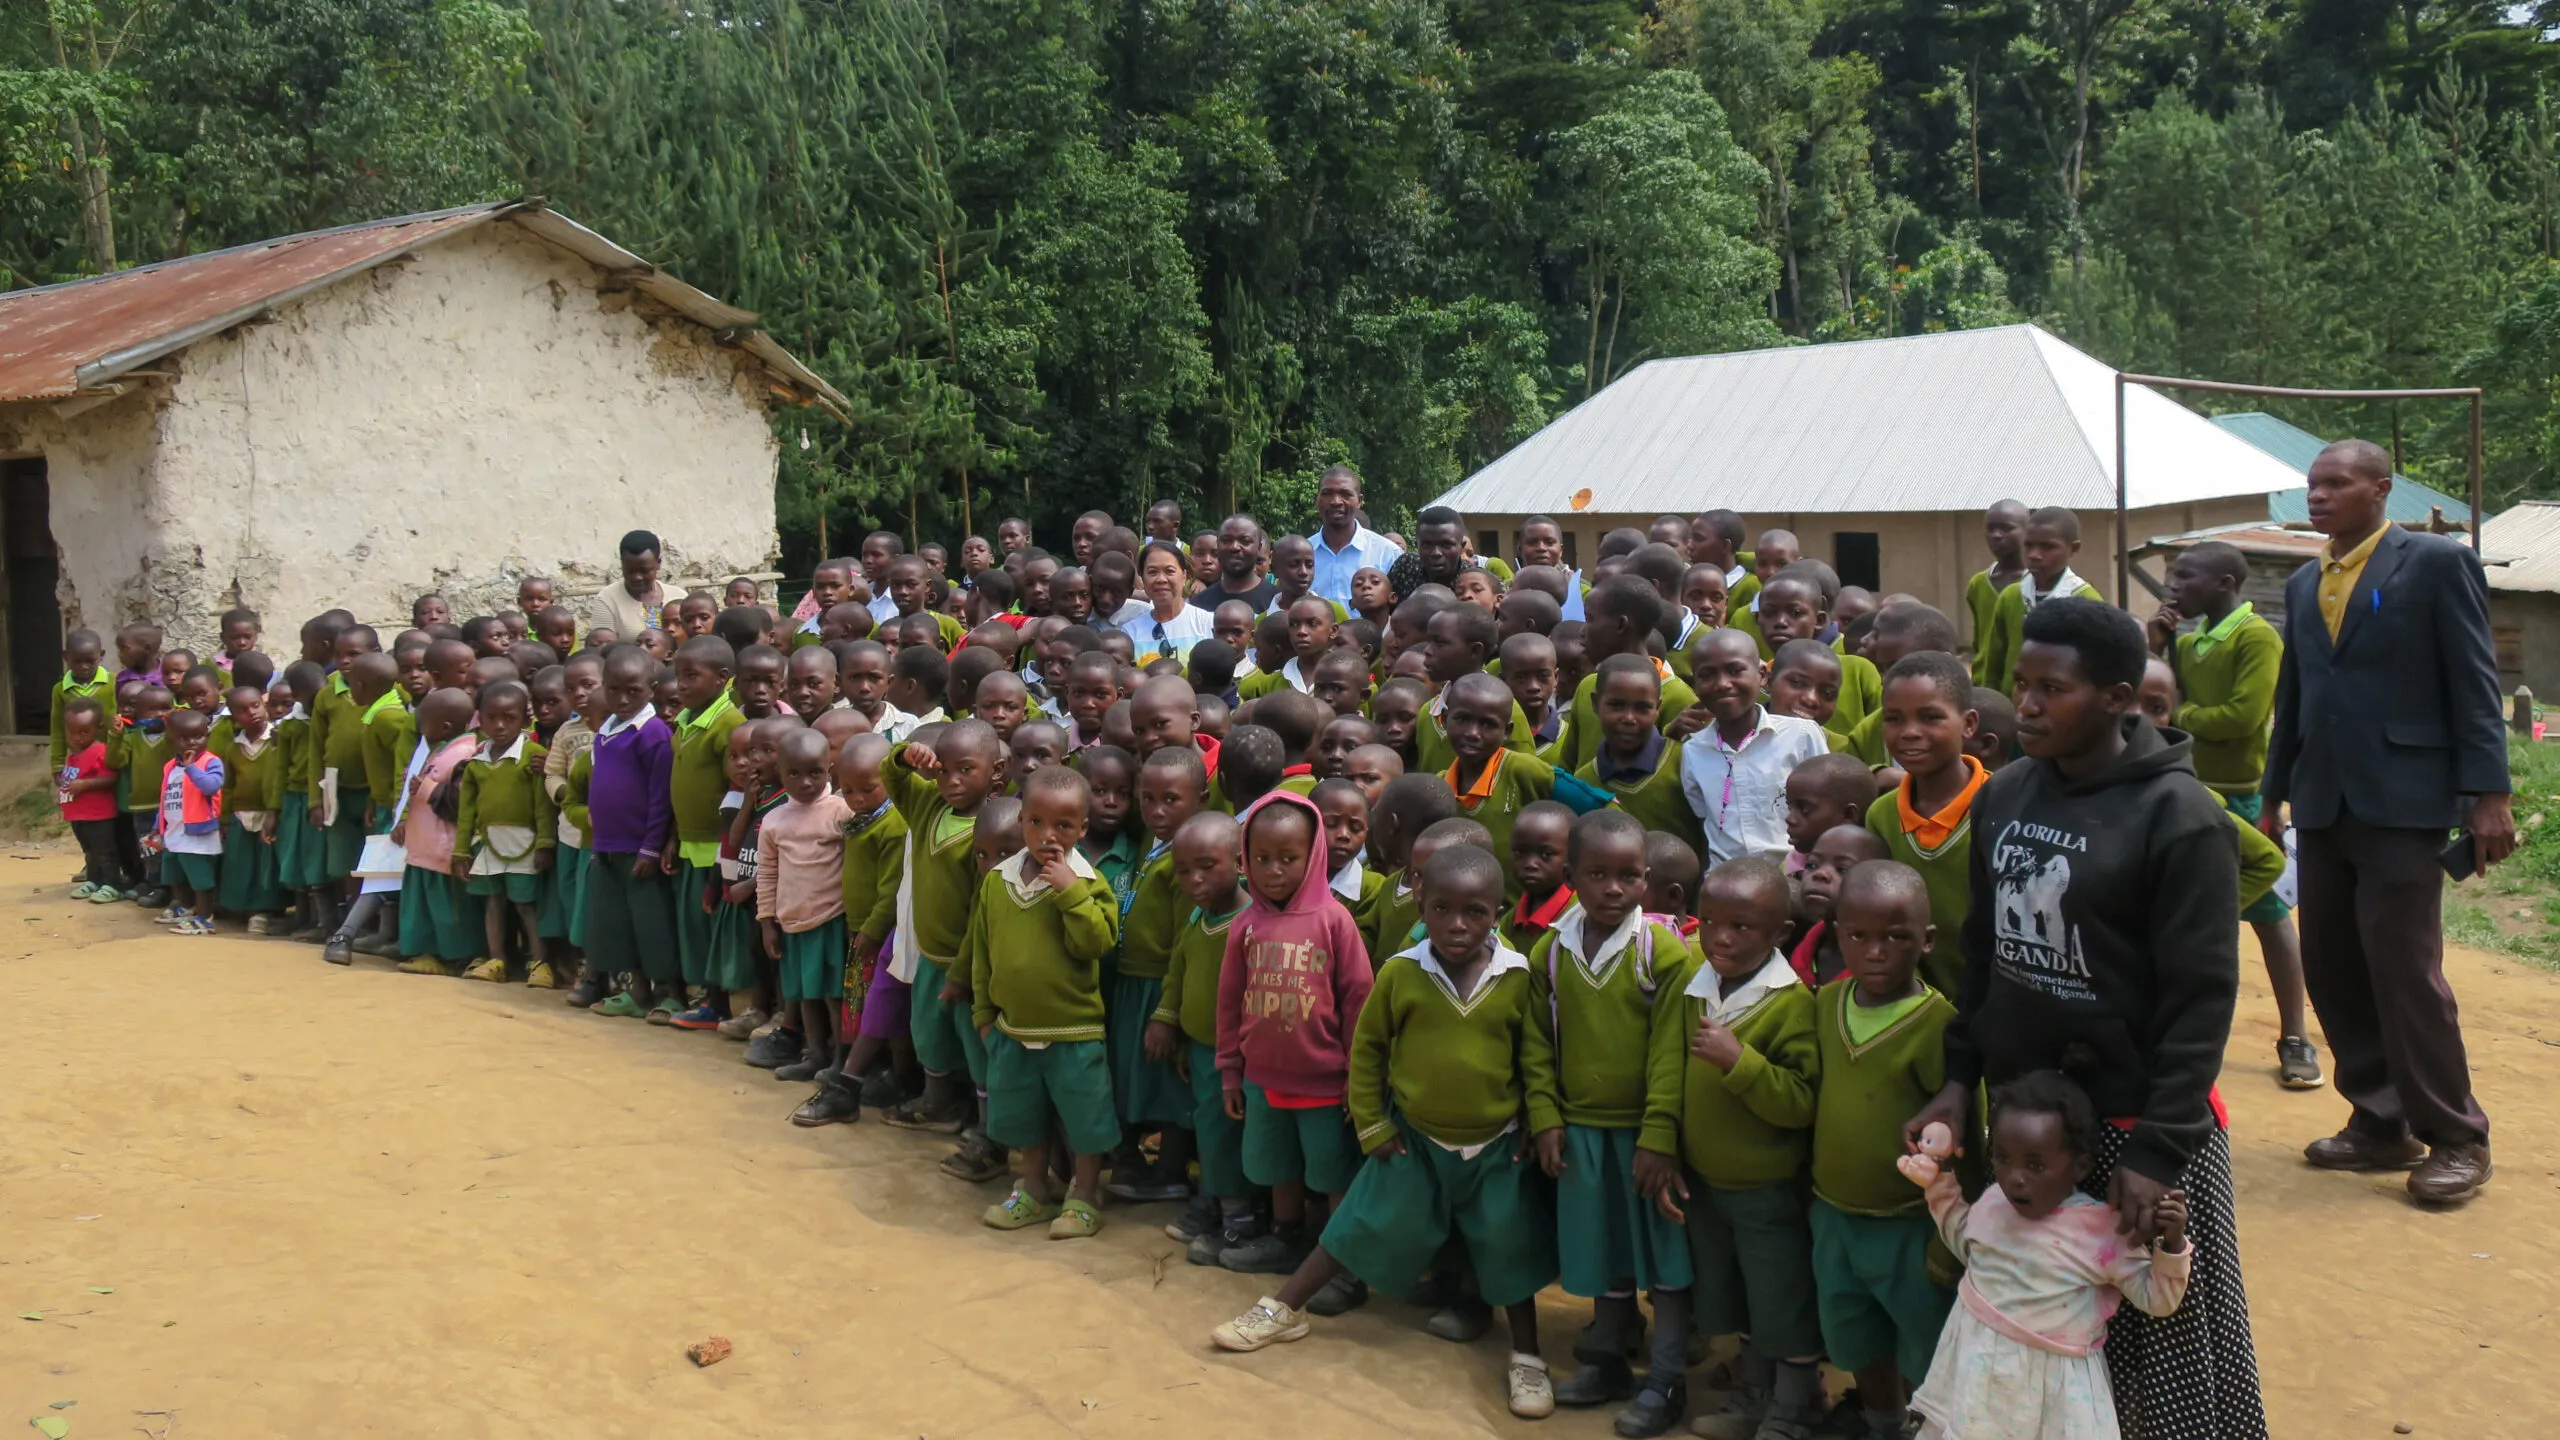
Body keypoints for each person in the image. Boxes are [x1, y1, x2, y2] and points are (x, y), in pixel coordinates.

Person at [1909, 596, 2265, 1438]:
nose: (2025, 704)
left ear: (2118, 698)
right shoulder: (2008, 795)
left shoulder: (2181, 821)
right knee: (2042, 1331)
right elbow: (1981, 952)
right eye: (2020, 684)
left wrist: (2155, 1152)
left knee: (2159, 1348)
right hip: (2034, 1124)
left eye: (2051, 689)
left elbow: (2201, 1000)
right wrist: (1962, 1078)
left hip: (2140, 1126)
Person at [1213, 843, 1560, 1424]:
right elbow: (1368, 1052)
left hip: (1497, 1145)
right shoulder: (1403, 972)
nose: (1456, 925)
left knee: (1509, 1245)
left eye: (1474, 912)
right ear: (1420, 903)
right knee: (1355, 1225)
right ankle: (1281, 1309)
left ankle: (1527, 1355)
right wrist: (1373, 1125)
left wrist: (1542, 1123)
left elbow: (1537, 1062)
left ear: (1498, 912)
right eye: (1442, 908)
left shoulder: (1517, 976)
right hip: (1416, 1141)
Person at [2265, 439, 2509, 1203]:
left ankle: (2458, 1136)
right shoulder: (2306, 583)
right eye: (2313, 483)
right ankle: (2379, 1121)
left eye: (2337, 483)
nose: (2319, 495)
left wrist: (2489, 793)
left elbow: (2474, 679)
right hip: (2324, 801)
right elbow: (2296, 698)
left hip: (2405, 803)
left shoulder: (2434, 564)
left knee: (2405, 971)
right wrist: (2273, 796)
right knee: (2334, 964)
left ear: (2381, 489)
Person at [1521, 810, 1696, 1436]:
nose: (1614, 889)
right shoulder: (1553, 948)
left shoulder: (1661, 950)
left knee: (1666, 1257)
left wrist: (1659, 1135)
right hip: (1582, 1129)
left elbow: (1672, 1050)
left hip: (1646, 1136)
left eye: (1629, 876)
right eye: (1598, 875)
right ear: (1571, 877)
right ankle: (1609, 1356)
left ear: (1647, 881)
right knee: (1604, 1249)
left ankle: (1669, 1377)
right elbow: (1537, 1042)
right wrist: (1544, 1115)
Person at [1905, 1071, 2193, 1440]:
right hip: (1976, 1375)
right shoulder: (1993, 1202)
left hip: (2054, 1395)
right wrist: (1939, 1185)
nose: (2014, 1177)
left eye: (2035, 1165)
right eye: (2003, 1158)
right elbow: (1965, 1240)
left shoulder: (2101, 1232)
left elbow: (2157, 1300)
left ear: (2081, 1167)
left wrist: (2171, 1245)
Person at [2147, 540, 2320, 1091]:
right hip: (2185, 787)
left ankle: (2295, 1035)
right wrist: (2161, 647)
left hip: (2240, 793)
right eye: (2172, 579)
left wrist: (2175, 715)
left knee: (2268, 916)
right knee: (2182, 919)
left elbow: (2244, 716)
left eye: (2185, 579)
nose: (2174, 589)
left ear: (2224, 584)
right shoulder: (2189, 640)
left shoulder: (2256, 636)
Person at [1673, 857, 1825, 1440]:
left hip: (1766, 1190)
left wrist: (1741, 1064)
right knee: (1735, 1297)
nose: (1721, 938)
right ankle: (1753, 1396)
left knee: (1780, 1300)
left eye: (1742, 928)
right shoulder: (1696, 985)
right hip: (1709, 1183)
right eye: (1710, 923)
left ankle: (1792, 1409)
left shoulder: (1791, 1004)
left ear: (1779, 933)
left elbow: (1801, 1102)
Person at [1810, 862, 1959, 1440]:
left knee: (1924, 1337)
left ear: (1927, 941)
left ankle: (1928, 1426)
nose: (1876, 953)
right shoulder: (1825, 1004)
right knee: (1852, 1331)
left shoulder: (1938, 1024)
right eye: (1859, 936)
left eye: (1897, 938)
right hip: (1834, 1212)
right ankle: (1881, 1420)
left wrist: (1950, 1242)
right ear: (1838, 933)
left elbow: (1964, 1135)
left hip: (1909, 1224)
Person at [1210, 790, 1377, 1287]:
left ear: (1314, 856)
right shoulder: (1245, 926)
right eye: (1261, 859)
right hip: (1263, 1080)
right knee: (1277, 1165)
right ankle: (1285, 1237)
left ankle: (1339, 1261)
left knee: (1330, 1172)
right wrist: (1230, 1073)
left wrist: (1356, 1076)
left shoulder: (1334, 921)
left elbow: (1359, 1000)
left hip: (1324, 1083)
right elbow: (1228, 1002)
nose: (1274, 870)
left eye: (1288, 858)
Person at [970, 762, 1123, 1239]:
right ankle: (1034, 1190)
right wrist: (984, 1012)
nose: (1047, 835)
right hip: (1013, 1030)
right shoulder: (999, 881)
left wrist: (1070, 894)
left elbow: (1097, 944)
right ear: (1022, 822)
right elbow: (982, 949)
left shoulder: (1089, 883)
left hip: (1072, 1031)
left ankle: (1084, 1194)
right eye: (1035, 822)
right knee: (1024, 1116)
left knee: (1086, 1118)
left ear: (1082, 828)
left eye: (1062, 825)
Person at [877, 720, 1004, 1180]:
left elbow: (982, 915)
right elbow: (890, 778)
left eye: (965, 770)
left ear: (996, 772)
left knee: (979, 1051)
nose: (951, 782)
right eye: (944, 770)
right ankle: (938, 1103)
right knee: (928, 1032)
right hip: (930, 955)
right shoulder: (928, 804)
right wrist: (903, 758)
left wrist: (965, 971)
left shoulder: (994, 831)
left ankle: (990, 1136)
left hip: (971, 967)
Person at [1151, 810, 1255, 1258]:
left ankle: (1238, 1221)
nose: (1193, 879)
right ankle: (1213, 1202)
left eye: (1207, 866)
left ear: (1239, 862)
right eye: (1183, 870)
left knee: (1224, 1138)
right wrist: (1169, 1020)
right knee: (1209, 1134)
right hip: (1199, 1050)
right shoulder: (1198, 918)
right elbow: (1178, 969)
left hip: (1234, 1058)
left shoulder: (1252, 925)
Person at [1865, 653, 1986, 999]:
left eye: (1931, 717)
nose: (1910, 733)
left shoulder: (2002, 805)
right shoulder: (1881, 816)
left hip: (1993, 1004)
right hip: (1914, 1007)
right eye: (1894, 719)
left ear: (1969, 723)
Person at [582, 647, 682, 1015]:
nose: (623, 700)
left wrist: (651, 848)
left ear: (651, 689)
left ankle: (671, 993)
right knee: (621, 924)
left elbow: (660, 797)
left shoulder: (652, 734)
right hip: (608, 845)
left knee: (653, 924)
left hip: (639, 847)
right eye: (614, 690)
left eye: (634, 691)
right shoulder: (605, 731)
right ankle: (638, 992)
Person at [756, 729, 855, 1092]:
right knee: (805, 995)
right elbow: (767, 873)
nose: (806, 782)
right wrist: (767, 920)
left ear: (830, 768)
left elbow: (855, 864)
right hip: (793, 922)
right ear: (780, 773)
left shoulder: (841, 811)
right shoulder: (775, 821)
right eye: (794, 774)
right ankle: (813, 1054)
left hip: (831, 920)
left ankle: (842, 1061)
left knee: (834, 995)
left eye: (815, 772)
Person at [1681, 629, 1831, 867]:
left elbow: (1827, 807)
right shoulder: (1693, 751)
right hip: (1728, 881)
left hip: (1793, 874)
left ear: (1762, 675)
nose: (1722, 684)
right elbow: (1704, 822)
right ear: (1695, 684)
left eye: (1735, 671)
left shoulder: (1802, 735)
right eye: (1707, 675)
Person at [451, 680, 555, 985]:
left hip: (525, 842)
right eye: (491, 718)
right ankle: (496, 960)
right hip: (487, 844)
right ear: (479, 719)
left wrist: (546, 843)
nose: (499, 726)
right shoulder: (476, 763)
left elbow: (542, 806)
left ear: (525, 720)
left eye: (509, 718)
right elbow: (466, 811)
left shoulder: (532, 756)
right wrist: (460, 851)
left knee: (526, 905)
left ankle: (540, 963)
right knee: (493, 901)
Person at [389, 689, 483, 975]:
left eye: (423, 721)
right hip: (423, 846)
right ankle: (425, 952)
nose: (420, 727)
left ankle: (452, 956)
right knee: (421, 905)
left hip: (443, 846)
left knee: (446, 907)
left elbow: (464, 802)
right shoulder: (441, 749)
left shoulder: (466, 753)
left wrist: (427, 788)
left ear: (444, 726)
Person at [1976, 506, 2100, 695]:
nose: (2034, 555)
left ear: (2074, 548)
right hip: (2011, 708)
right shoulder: (2011, 597)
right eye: (2028, 545)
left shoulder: (2087, 602)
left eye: (2047, 547)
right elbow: (1994, 663)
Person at [154, 709, 226, 935]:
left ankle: (204, 918)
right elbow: (166, 797)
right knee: (174, 874)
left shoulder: (210, 762)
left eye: (198, 736)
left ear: (208, 736)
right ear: (171, 740)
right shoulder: (169, 766)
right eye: (184, 738)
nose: (192, 743)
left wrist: (192, 767)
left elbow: (211, 786)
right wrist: (158, 826)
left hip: (198, 834)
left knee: (200, 879)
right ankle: (185, 908)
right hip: (174, 832)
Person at [60, 696, 136, 902]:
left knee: (105, 851)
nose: (77, 737)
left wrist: (84, 785)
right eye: (72, 732)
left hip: (99, 814)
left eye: (83, 732)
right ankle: (95, 880)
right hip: (79, 814)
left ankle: (114, 884)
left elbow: (111, 777)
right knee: (90, 851)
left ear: (98, 728)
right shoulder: (74, 754)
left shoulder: (100, 751)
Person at [1309, 465, 1402, 605]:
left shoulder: (1388, 553)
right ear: (1317, 499)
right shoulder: (1303, 554)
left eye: (1345, 494)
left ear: (1359, 501)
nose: (1336, 501)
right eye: (1327, 493)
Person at [1963, 501, 2029, 684]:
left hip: (2023, 686)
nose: (1996, 535)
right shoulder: (1978, 584)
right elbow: (1979, 641)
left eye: (2007, 528)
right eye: (1990, 529)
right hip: (1984, 683)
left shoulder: (2038, 584)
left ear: (2028, 531)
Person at [587, 530, 687, 639]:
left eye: (644, 571)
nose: (637, 577)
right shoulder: (607, 600)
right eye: (630, 571)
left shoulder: (679, 596)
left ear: (658, 563)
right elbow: (601, 648)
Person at [1126, 542, 1216, 662]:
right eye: (1152, 572)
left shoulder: (1207, 623)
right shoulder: (1131, 631)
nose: (1161, 579)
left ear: (1184, 576)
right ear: (1142, 577)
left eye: (1169, 571)